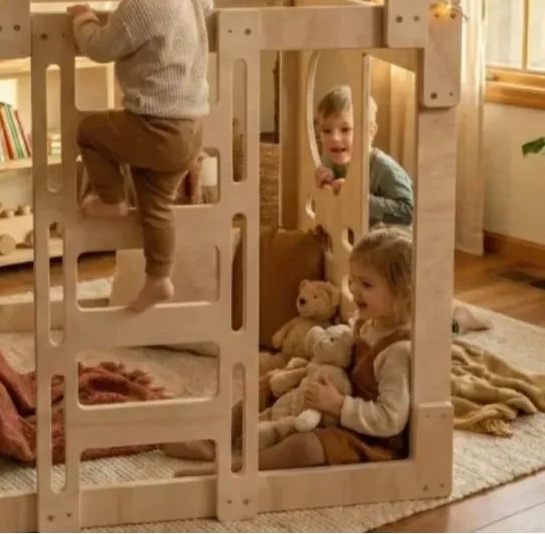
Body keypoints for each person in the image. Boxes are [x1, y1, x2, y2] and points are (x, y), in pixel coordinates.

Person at [163, 225, 414, 471]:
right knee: (271, 383)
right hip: (333, 406)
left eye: (367, 284)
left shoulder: (397, 351)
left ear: (403, 294)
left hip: (368, 437)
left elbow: (389, 420)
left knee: (306, 447)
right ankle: (215, 438)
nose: (355, 290)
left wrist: (338, 404)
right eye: (354, 280)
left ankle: (240, 468)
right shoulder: (367, 323)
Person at [67, 0, 213, 312]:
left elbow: (99, 48)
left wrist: (82, 20)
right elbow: (208, 4)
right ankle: (159, 277)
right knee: (156, 205)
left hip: (156, 126)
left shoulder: (138, 9)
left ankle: (111, 197)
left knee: (89, 131)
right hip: (190, 130)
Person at [314, 85, 413, 227]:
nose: (334, 138)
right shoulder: (331, 160)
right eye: (326, 130)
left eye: (345, 129)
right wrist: (327, 182)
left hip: (388, 239)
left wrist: (359, 200)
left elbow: (408, 212)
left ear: (370, 132)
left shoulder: (383, 168)